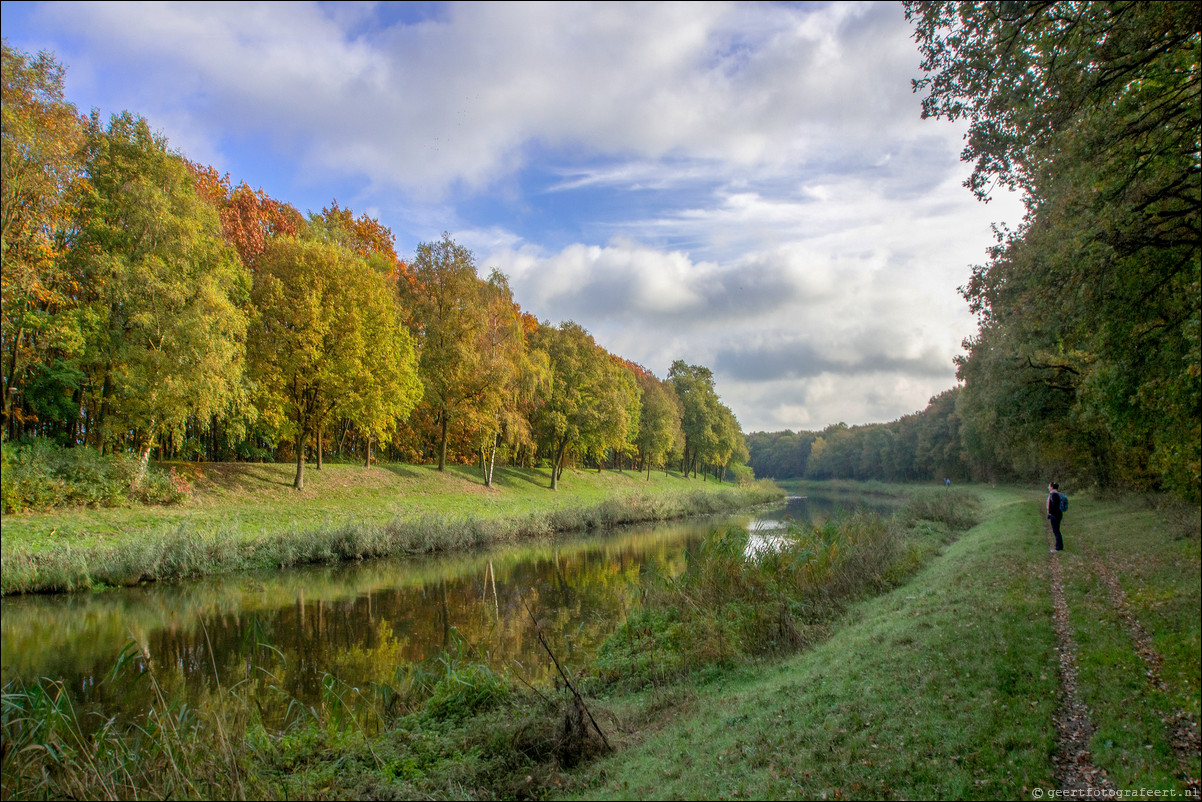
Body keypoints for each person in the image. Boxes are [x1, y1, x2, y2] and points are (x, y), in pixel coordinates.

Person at [1047, 482, 1065, 552]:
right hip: (1058, 514)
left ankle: (1058, 548)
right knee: (1057, 530)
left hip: (1055, 515)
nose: (1048, 487)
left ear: (1052, 487)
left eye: (1049, 486)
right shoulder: (1057, 494)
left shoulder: (1054, 494)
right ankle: (1060, 546)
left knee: (1056, 531)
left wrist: (1051, 513)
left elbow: (1054, 505)